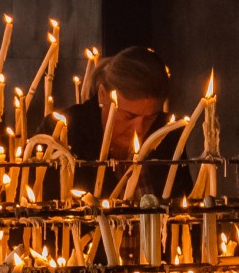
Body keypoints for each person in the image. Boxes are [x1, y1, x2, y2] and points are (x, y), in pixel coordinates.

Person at [70, 47, 186, 196]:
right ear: (102, 95)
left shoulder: (167, 134)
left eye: (150, 117)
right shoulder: (69, 133)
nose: (139, 130)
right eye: (129, 116)